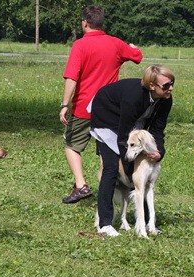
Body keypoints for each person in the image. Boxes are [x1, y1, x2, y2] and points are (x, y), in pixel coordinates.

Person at [59, 5, 143, 204]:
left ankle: (81, 185)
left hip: (83, 107)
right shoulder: (115, 43)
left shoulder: (80, 45)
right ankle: (112, 186)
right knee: (107, 151)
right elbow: (137, 57)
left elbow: (72, 77)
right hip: (110, 109)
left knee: (71, 146)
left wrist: (64, 104)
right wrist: (132, 48)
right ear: (101, 23)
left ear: (84, 23)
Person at [90, 64, 175, 236]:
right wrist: (130, 171)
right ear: (152, 86)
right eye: (166, 85)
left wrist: (159, 154)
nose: (171, 88)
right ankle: (105, 224)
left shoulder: (166, 99)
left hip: (130, 122)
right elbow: (123, 137)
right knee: (111, 168)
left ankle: (145, 224)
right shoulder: (133, 97)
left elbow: (157, 130)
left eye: (172, 83)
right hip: (107, 117)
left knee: (139, 172)